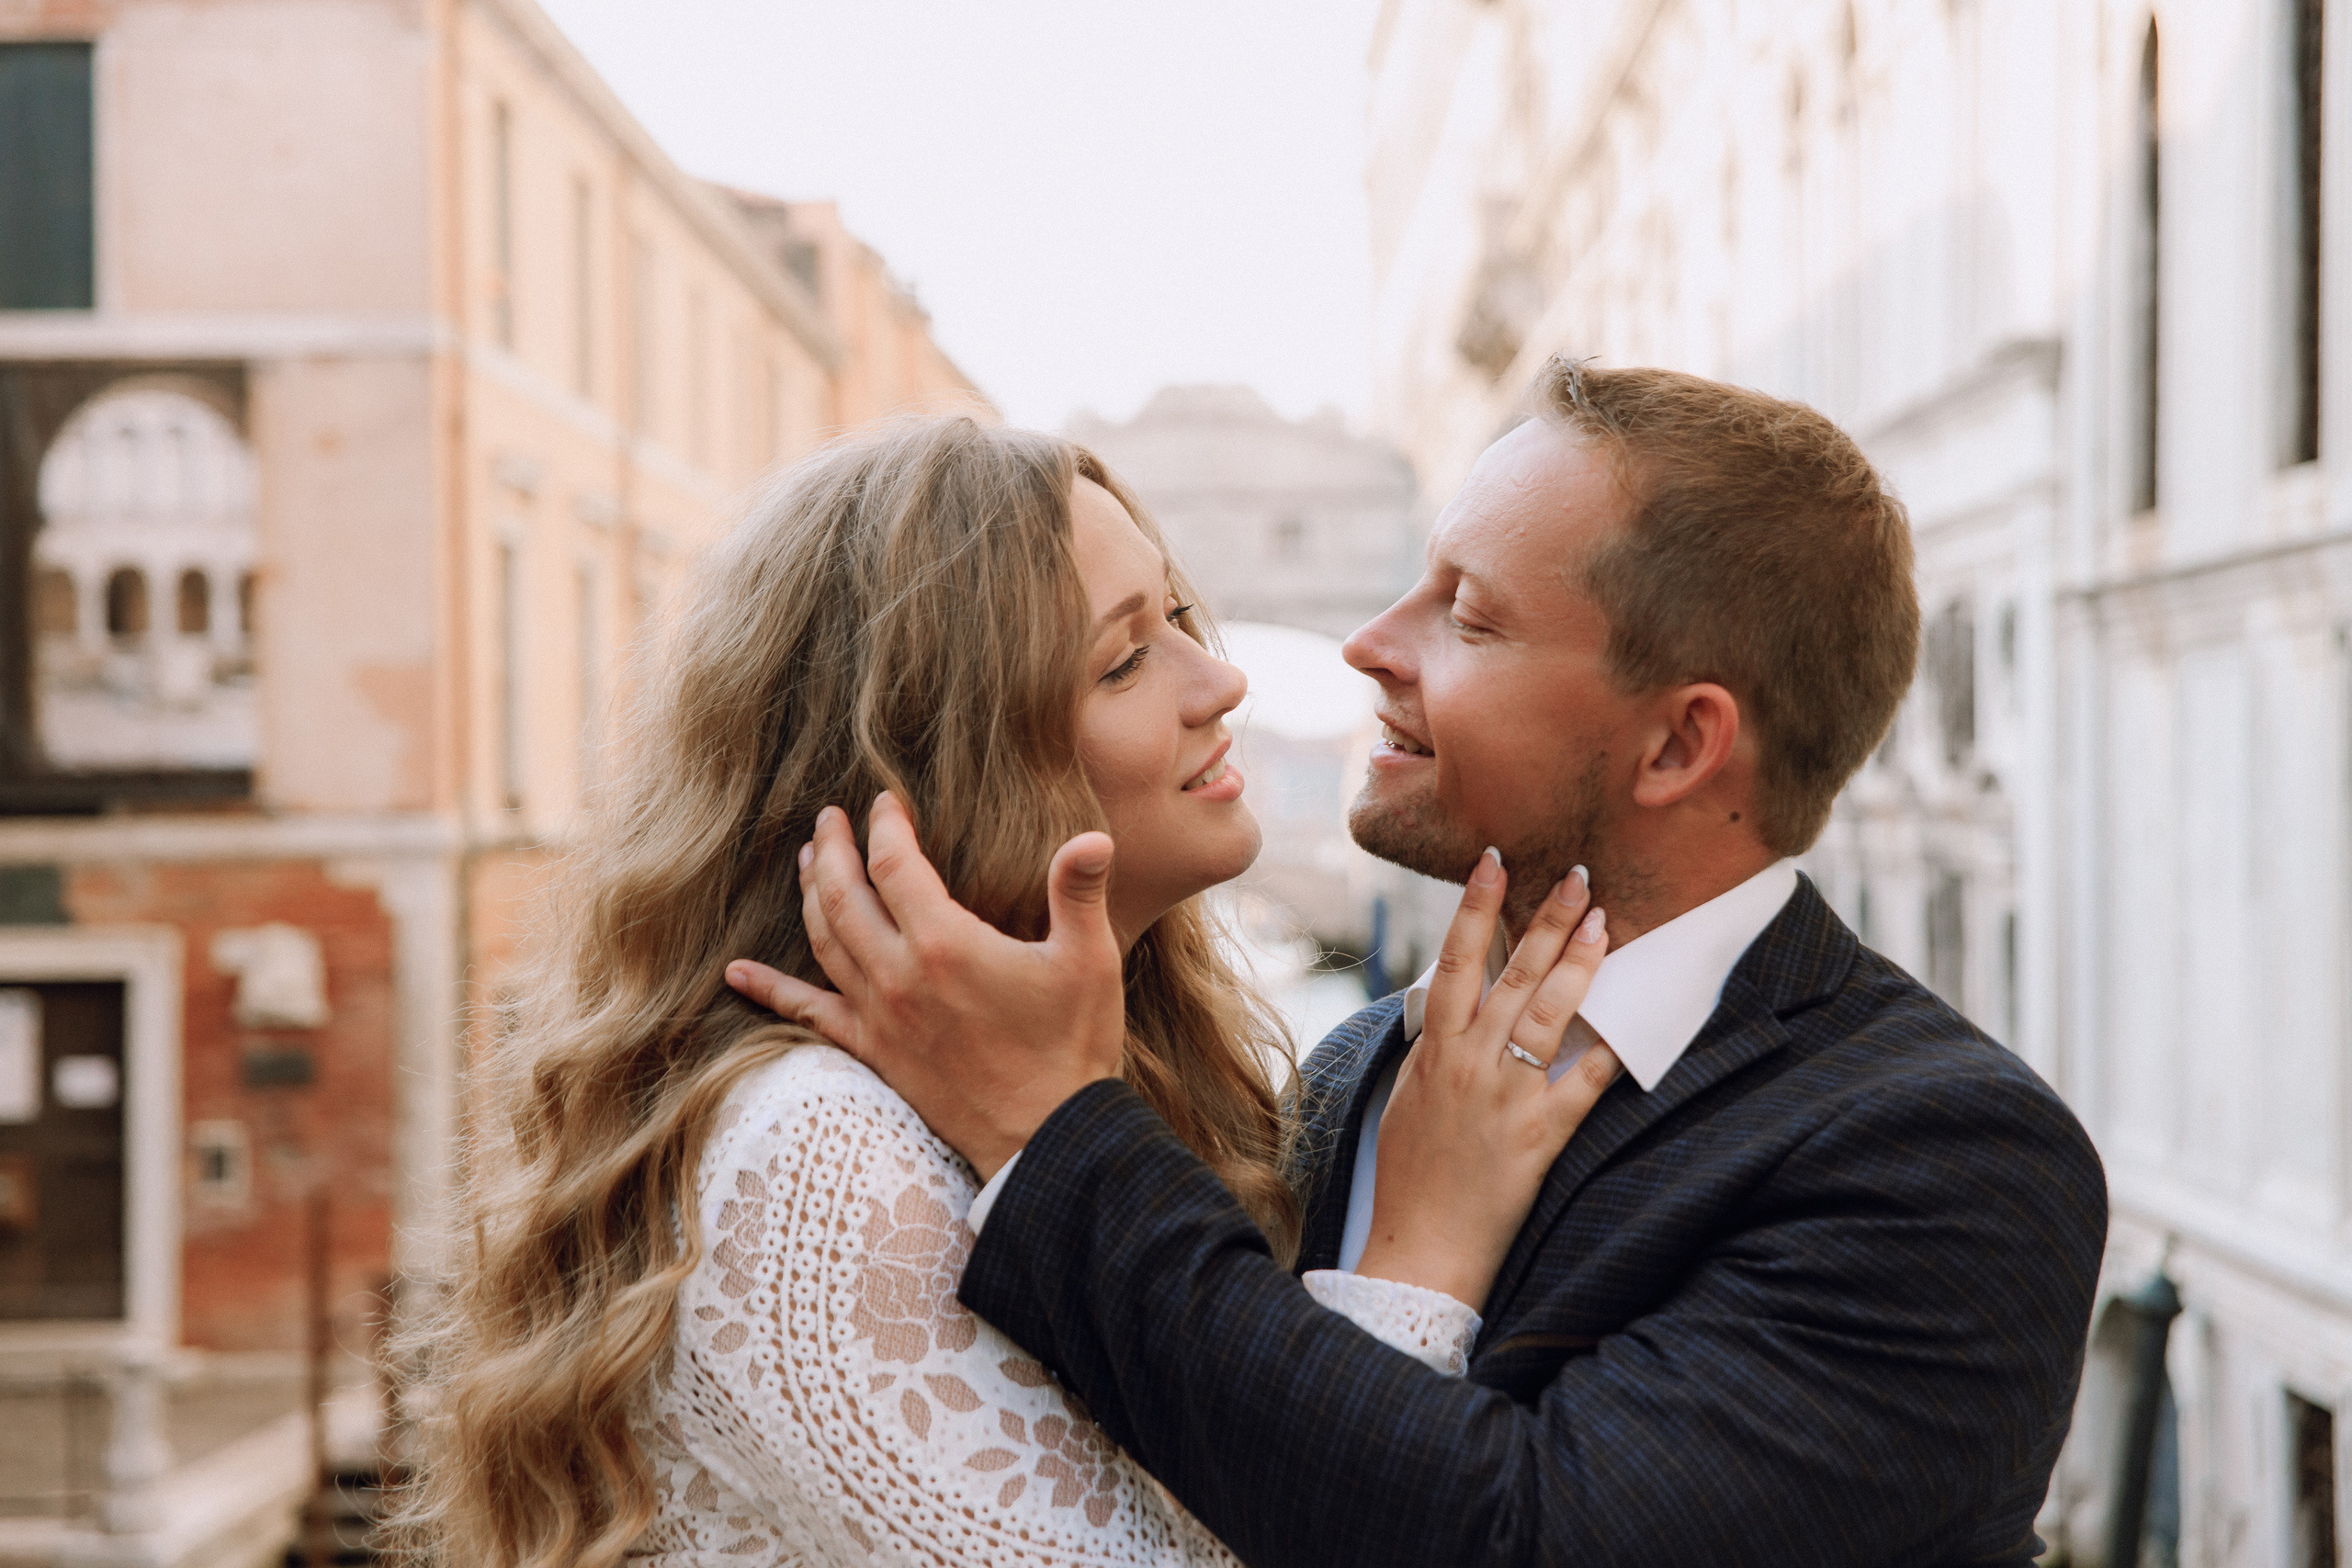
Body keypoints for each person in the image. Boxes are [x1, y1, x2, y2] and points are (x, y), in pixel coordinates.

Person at [729, 361, 2112, 1568]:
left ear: (1680, 747)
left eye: (1468, 615)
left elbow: (1528, 1543)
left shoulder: (1950, 1161)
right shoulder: (1352, 1074)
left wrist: (1056, 1132)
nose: (1366, 644)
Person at [405, 415, 1623, 1568]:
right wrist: (1418, 1262)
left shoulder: (1143, 1073)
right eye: (1127, 657)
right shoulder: (816, 1151)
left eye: (1182, 614)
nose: (1219, 683)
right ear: (954, 764)